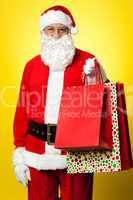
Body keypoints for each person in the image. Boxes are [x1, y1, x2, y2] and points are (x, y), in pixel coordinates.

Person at [12, 5, 108, 200]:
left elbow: (104, 102)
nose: (56, 34)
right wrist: (19, 155)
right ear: (43, 32)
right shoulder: (31, 66)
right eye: (50, 29)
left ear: (69, 31)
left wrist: (94, 79)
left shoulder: (88, 61)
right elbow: (22, 110)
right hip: (36, 151)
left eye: (61, 29)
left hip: (77, 152)